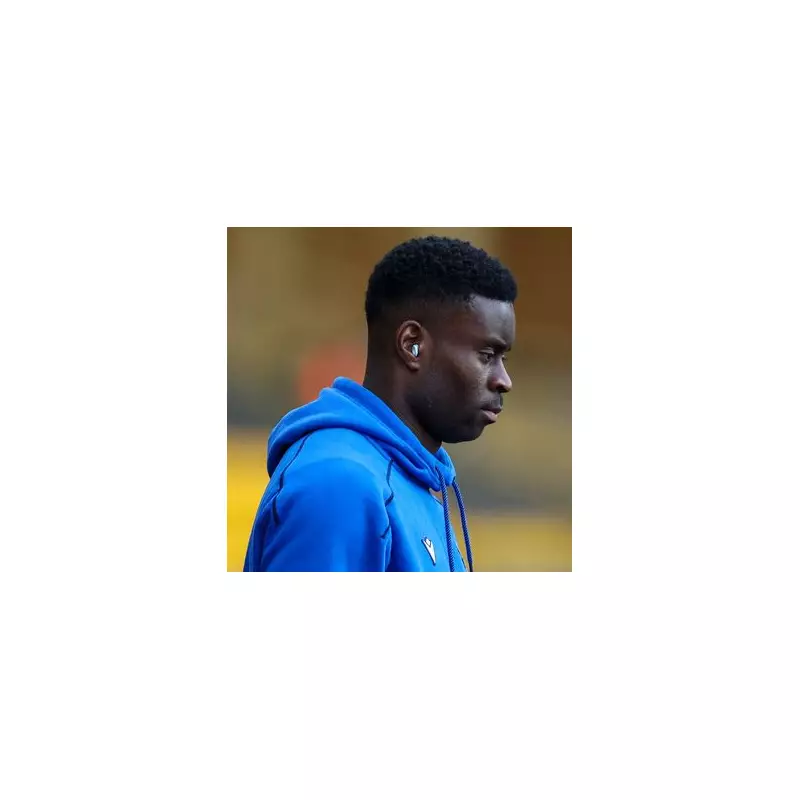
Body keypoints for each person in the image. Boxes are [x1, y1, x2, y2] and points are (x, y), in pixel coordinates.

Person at [243, 235, 517, 572]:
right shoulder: (340, 483)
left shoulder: (410, 481)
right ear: (413, 345)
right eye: (487, 355)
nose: (504, 380)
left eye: (503, 358)